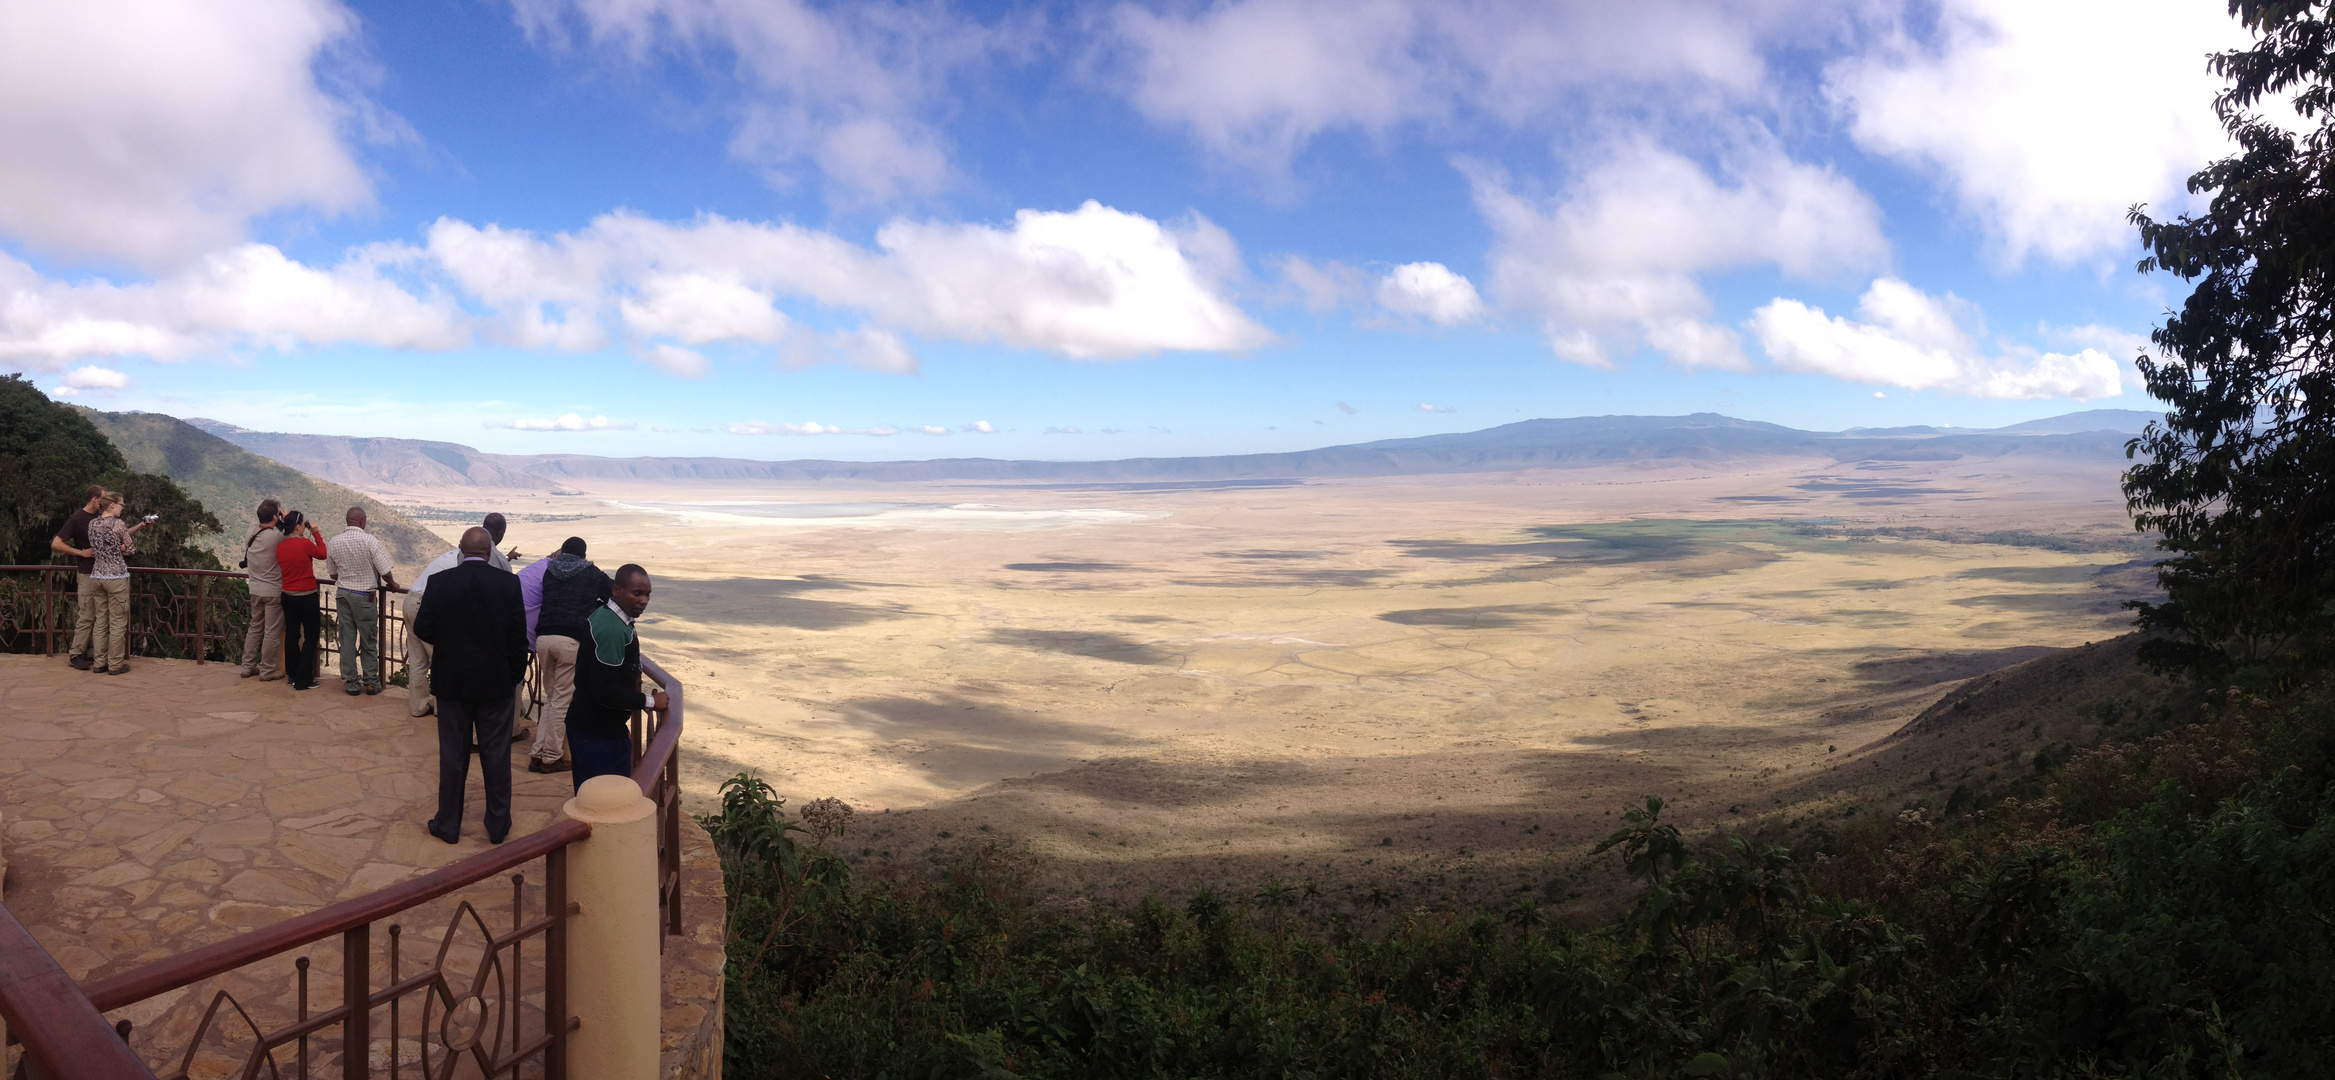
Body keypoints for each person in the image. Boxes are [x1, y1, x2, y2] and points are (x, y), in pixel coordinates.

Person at [414, 527, 527, 845]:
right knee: (496, 754)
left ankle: (448, 824)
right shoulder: (508, 583)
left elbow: (424, 627)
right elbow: (519, 638)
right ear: (490, 552)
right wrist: (513, 676)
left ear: (461, 552)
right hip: (496, 684)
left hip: (452, 683)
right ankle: (498, 825)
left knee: (452, 754)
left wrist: (451, 649)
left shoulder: (440, 583)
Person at [401, 513, 515, 718]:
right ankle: (443, 706)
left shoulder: (466, 550)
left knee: (418, 659)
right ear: (499, 533)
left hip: (412, 598)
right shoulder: (487, 556)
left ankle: (418, 707)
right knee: (442, 656)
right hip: (427, 604)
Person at [566, 563, 667, 792]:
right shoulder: (611, 628)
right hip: (595, 732)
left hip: (599, 728)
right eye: (637, 593)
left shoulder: (611, 617)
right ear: (616, 590)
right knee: (604, 802)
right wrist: (650, 702)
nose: (644, 600)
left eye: (647, 594)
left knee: (597, 798)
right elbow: (605, 689)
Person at [524, 537, 607, 774]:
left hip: (543, 639)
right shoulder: (591, 572)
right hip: (570, 640)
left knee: (551, 698)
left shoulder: (549, 571)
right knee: (561, 702)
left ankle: (537, 754)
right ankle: (551, 757)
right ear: (583, 554)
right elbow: (612, 591)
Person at [324, 507, 398, 696]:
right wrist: (393, 584)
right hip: (364, 596)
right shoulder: (370, 541)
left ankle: (351, 682)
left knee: (347, 638)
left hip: (343, 594)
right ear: (362, 521)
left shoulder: (333, 542)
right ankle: (371, 682)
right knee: (368, 639)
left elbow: (332, 573)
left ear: (347, 521)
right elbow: (384, 570)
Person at [83, 492, 153, 675]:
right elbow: (130, 549)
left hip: (97, 576)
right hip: (116, 577)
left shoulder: (92, 524)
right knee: (117, 622)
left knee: (100, 622)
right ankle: (114, 664)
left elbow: (99, 547)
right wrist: (121, 548)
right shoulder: (118, 524)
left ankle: (99, 663)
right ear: (112, 505)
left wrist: (115, 548)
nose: (123, 508)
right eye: (122, 504)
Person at [49, 485, 105, 670]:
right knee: (87, 614)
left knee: (99, 615)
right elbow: (56, 543)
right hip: (87, 573)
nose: (105, 502)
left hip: (103, 573)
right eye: (103, 498)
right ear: (94, 499)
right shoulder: (76, 519)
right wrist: (80, 553)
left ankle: (90, 652)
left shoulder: (102, 517)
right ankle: (75, 654)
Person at [274, 511, 330, 691]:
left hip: (287, 595)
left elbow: (290, 527)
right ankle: (303, 678)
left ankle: (292, 675)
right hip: (307, 596)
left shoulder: (281, 546)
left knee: (292, 634)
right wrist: (315, 532)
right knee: (311, 636)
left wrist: (291, 518)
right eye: (302, 524)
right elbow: (322, 553)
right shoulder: (305, 544)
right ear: (298, 527)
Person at [237, 499, 286, 681]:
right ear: (275, 516)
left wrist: (275, 516)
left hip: (255, 589)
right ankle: (267, 670)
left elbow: (264, 524)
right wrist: (284, 518)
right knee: (271, 632)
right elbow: (290, 534)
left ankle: (247, 666)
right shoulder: (275, 537)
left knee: (255, 628)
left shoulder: (251, 532)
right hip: (273, 591)